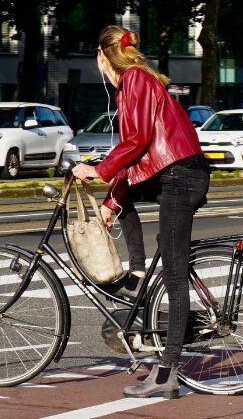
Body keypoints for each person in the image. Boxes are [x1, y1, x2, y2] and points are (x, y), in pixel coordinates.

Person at [71, 26, 209, 400]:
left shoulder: (134, 81)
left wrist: (97, 171)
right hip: (174, 172)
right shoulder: (137, 81)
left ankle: (167, 375)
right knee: (124, 199)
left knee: (176, 278)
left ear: (102, 56)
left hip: (180, 176)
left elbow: (137, 142)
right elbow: (139, 161)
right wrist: (112, 200)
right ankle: (137, 273)